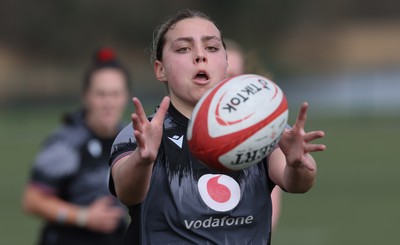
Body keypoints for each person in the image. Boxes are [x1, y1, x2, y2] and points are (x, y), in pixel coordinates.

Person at [109, 9, 326, 244]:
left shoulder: (259, 128)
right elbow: (127, 192)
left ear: (226, 63)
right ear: (160, 70)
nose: (200, 56)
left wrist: (297, 164)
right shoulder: (143, 133)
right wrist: (143, 160)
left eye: (211, 48)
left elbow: (297, 183)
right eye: (183, 48)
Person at [22, 47, 130, 245]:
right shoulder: (66, 142)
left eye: (115, 94)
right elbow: (32, 201)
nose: (109, 102)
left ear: (125, 97)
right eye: (101, 94)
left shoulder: (129, 139)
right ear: (86, 96)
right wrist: (84, 217)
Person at [225, 38, 282, 231]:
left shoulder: (261, 132)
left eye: (233, 75)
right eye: (223, 75)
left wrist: (297, 164)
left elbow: (269, 217)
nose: (227, 83)